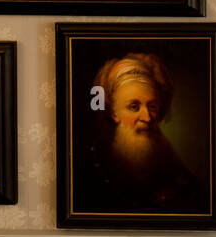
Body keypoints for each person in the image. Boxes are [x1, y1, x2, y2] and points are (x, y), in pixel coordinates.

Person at [82, 52, 204, 214]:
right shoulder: (90, 164)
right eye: (134, 107)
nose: (147, 117)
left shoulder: (172, 162)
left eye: (152, 106)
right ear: (114, 113)